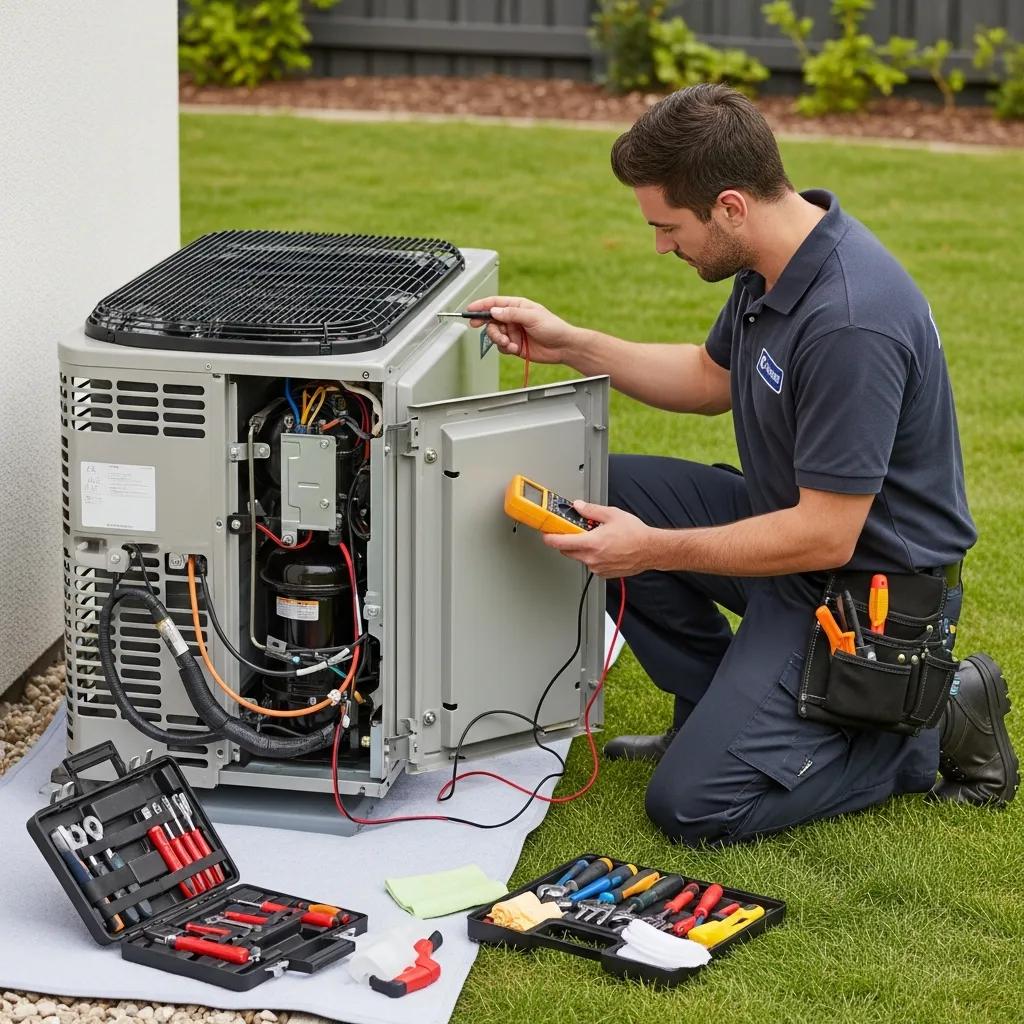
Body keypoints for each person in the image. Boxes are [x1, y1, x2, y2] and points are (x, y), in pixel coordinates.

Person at [467, 83, 1018, 846]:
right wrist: (569, 343)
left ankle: (923, 729)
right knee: (601, 493)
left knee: (692, 807)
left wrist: (652, 549)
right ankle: (717, 707)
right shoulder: (775, 264)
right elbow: (708, 378)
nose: (662, 244)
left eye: (668, 226)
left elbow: (826, 537)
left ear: (729, 206)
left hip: (867, 593)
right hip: (791, 537)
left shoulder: (850, 321)